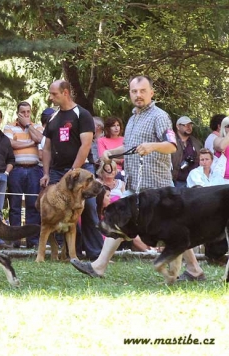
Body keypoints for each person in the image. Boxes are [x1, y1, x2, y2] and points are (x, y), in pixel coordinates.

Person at [72, 75, 206, 282]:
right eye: (134, 91)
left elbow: (171, 145)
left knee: (175, 231)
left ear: (151, 93)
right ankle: (98, 267)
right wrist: (112, 153)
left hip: (157, 188)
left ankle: (195, 271)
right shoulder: (134, 118)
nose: (138, 95)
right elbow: (132, 147)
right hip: (135, 185)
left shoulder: (159, 116)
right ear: (130, 94)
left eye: (143, 91)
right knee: (119, 222)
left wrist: (152, 146)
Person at [40, 80, 102, 260]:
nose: (51, 98)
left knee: (88, 208)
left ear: (65, 92)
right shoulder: (53, 117)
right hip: (58, 172)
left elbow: (86, 144)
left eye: (54, 94)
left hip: (81, 170)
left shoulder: (82, 114)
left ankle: (96, 253)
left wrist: (74, 170)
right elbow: (47, 149)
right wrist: (45, 173)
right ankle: (69, 252)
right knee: (57, 210)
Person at [3, 101, 44, 247]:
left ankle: (32, 241)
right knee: (14, 205)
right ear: (17, 113)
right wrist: (31, 143)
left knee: (33, 205)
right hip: (16, 169)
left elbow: (40, 139)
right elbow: (10, 144)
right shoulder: (9, 127)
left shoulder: (36, 126)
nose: (26, 115)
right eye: (23, 112)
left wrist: (28, 125)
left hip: (34, 169)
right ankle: (15, 240)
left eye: (28, 112)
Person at [171, 116, 202, 188]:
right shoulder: (171, 141)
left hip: (193, 181)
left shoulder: (196, 142)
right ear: (178, 127)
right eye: (185, 125)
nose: (189, 127)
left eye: (190, 125)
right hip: (175, 181)